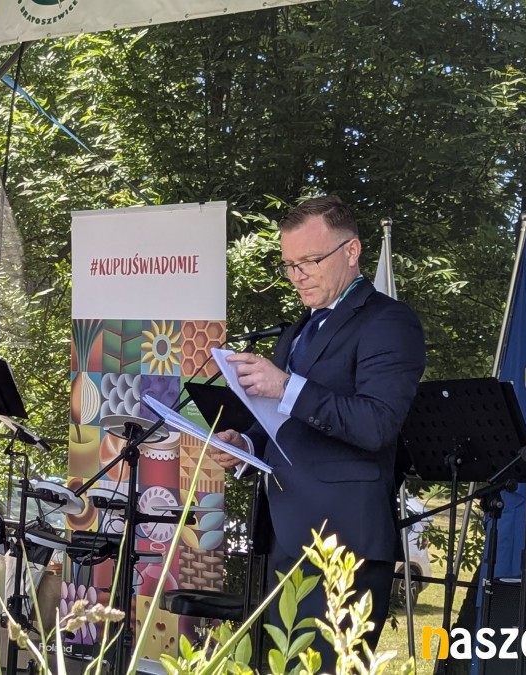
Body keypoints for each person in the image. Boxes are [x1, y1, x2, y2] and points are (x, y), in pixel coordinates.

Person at [213, 195, 426, 669]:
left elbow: (376, 424)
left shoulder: (389, 322)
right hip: (284, 534)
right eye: (289, 265)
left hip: (344, 542)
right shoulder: (297, 331)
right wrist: (246, 444)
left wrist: (286, 385)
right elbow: (282, 421)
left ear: (352, 251)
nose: (298, 276)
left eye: (310, 261)